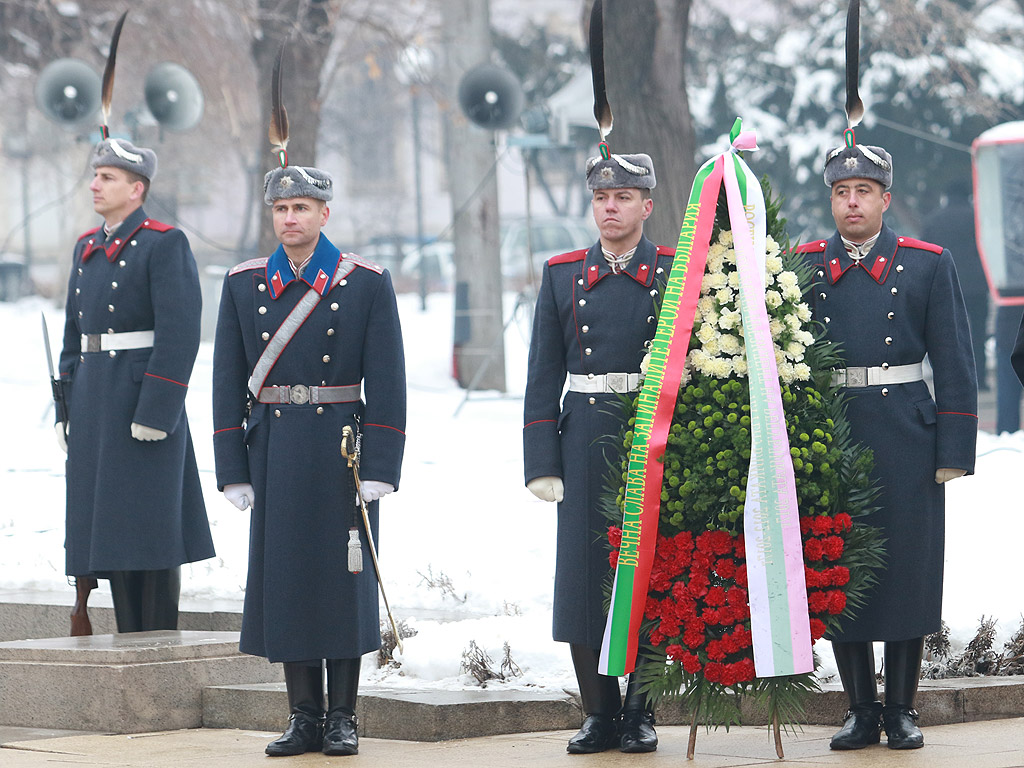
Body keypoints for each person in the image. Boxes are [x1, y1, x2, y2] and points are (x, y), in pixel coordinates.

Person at [212, 163, 406, 757]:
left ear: (325, 214)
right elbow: (225, 381)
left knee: (342, 582)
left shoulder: (365, 283)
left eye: (301, 208)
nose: (290, 218)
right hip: (274, 450)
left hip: (340, 452)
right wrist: (232, 468)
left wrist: (380, 465)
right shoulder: (244, 283)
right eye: (281, 209)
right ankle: (303, 715)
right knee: (289, 580)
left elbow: (390, 382)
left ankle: (343, 716)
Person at [796, 138, 978, 750]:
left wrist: (954, 448)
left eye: (864, 192)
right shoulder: (803, 266)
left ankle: (902, 708)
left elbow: (954, 358)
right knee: (838, 563)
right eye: (842, 193)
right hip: (833, 433)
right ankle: (859, 708)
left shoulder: (927, 262)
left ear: (885, 199)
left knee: (906, 568)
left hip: (905, 429)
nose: (852, 203)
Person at [523, 151, 670, 754]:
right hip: (583, 432)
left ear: (646, 206)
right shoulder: (563, 274)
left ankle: (640, 710)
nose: (610, 208)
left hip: (651, 433)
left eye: (623, 198)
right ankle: (598, 710)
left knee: (650, 571)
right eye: (601, 199)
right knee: (584, 577)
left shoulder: (672, 271)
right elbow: (541, 374)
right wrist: (541, 461)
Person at [56, 138, 214, 633]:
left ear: (136, 188)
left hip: (140, 398)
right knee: (112, 529)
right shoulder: (87, 246)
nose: (95, 184)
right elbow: (72, 335)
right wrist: (66, 407)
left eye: (107, 177)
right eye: (96, 175)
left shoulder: (164, 243)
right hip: (94, 400)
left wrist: (157, 410)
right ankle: (128, 637)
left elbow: (180, 331)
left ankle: (156, 640)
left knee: (150, 524)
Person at [921, 179, 989, 390]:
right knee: (978, 333)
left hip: (946, 284)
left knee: (947, 334)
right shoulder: (977, 219)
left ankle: (951, 382)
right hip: (978, 285)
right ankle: (981, 378)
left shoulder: (933, 220)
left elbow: (925, 254)